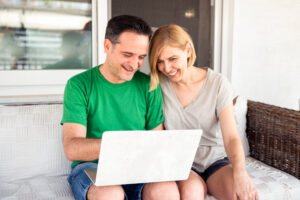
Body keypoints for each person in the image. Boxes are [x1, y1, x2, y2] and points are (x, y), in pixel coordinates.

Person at [148, 24, 258, 200]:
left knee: (244, 194)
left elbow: (231, 138)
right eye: (160, 61)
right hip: (182, 162)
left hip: (216, 161)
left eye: (172, 59)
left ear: (188, 50)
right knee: (192, 192)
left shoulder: (218, 84)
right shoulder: (157, 86)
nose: (167, 68)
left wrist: (240, 172)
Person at [61, 15, 166, 200]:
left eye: (141, 57)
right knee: (111, 193)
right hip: (92, 167)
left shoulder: (149, 85)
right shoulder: (79, 85)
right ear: (107, 46)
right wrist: (124, 144)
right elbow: (72, 148)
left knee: (165, 191)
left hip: (137, 168)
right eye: (127, 55)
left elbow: (157, 141)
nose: (134, 64)